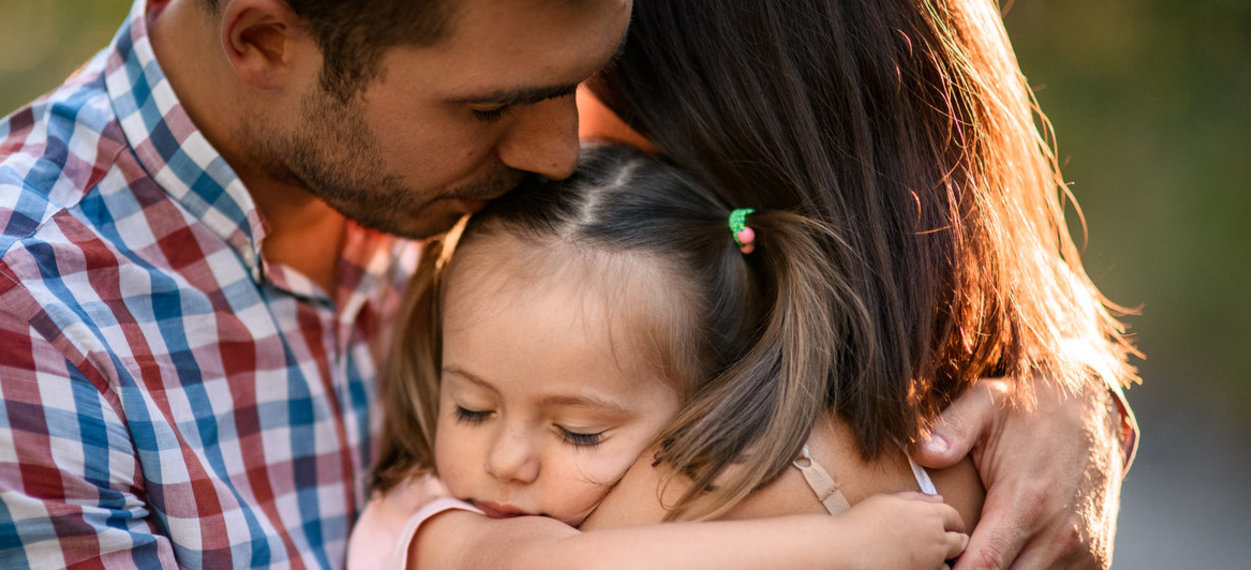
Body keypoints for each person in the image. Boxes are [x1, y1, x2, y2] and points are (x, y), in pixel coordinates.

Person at [0, 0, 1134, 567]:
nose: (559, 151)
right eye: (495, 105)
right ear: (265, 41)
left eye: (572, 88)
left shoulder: (476, 136)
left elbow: (882, 206)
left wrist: (1058, 383)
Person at [577, 0, 1141, 567]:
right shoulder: (971, 407)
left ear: (709, 126)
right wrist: (1080, 377)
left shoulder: (686, 502)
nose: (567, 137)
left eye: (585, 89)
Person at [354, 143, 973, 569]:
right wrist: (845, 549)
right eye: (471, 409)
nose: (506, 460)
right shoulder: (429, 517)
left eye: (578, 432)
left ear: (700, 404)